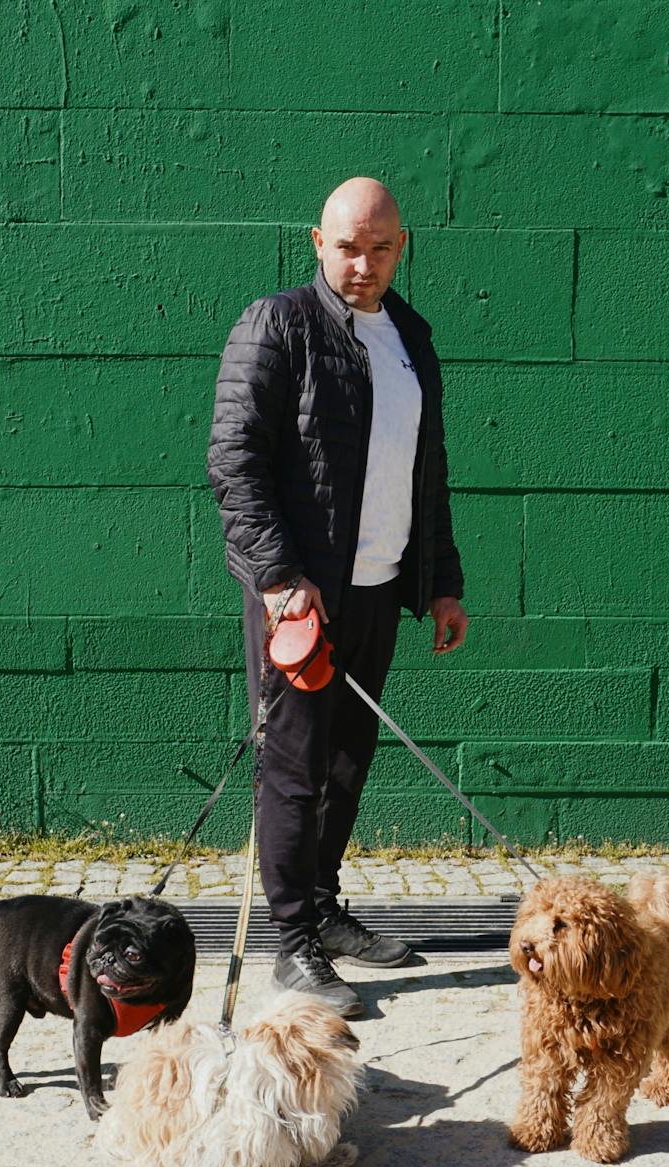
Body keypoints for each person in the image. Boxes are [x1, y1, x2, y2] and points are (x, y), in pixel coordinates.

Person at [206, 176, 468, 1018]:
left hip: (381, 587)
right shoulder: (276, 324)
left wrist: (444, 583)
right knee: (291, 768)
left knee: (348, 762)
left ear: (404, 246)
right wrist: (280, 580)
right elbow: (235, 463)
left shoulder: (410, 337)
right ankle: (291, 942)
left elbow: (426, 471)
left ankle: (322, 908)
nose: (363, 263)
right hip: (302, 599)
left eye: (381, 247)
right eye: (347, 246)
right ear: (316, 242)